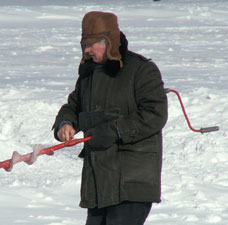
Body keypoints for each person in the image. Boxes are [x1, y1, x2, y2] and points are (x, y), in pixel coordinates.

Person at [52, 11, 168, 225]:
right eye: (84, 44)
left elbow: (155, 113)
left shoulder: (141, 70)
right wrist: (65, 123)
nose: (87, 50)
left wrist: (116, 130)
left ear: (109, 42)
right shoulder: (88, 74)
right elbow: (73, 105)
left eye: (92, 44)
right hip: (98, 184)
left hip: (132, 182)